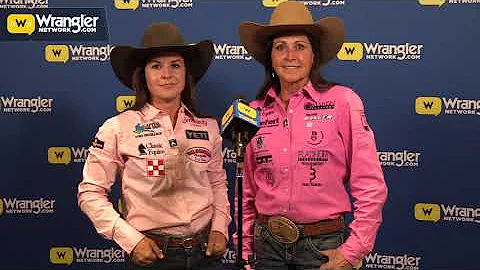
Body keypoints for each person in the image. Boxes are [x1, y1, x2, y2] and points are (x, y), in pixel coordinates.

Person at [234, 1, 388, 269]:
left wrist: (353, 251)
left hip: (324, 246)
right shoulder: (253, 112)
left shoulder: (343, 101)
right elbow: (247, 190)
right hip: (266, 246)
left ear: (313, 56)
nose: (290, 55)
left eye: (300, 46)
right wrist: (245, 247)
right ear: (270, 57)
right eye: (280, 47)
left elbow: (370, 183)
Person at [77, 22, 231, 270]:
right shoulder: (118, 127)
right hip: (154, 254)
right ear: (143, 75)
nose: (166, 74)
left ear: (186, 73)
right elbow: (90, 193)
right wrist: (132, 241)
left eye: (175, 65)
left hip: (206, 254)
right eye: (156, 66)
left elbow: (217, 184)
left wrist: (220, 228)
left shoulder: (208, 127)